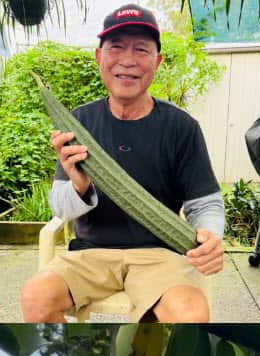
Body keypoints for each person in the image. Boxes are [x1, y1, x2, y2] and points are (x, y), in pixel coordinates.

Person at [20, 4, 225, 322]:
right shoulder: (79, 122)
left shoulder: (181, 127)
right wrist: (79, 185)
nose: (127, 60)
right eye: (116, 47)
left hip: (159, 255)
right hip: (90, 253)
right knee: (36, 297)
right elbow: (60, 208)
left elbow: (205, 202)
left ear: (156, 61)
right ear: (98, 57)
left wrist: (210, 235)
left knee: (189, 313)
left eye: (141, 49)